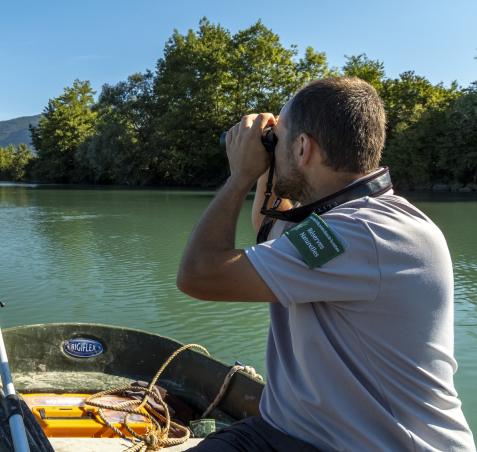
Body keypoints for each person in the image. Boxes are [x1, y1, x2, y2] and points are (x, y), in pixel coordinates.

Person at [176, 77, 475, 452]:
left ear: (303, 148)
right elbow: (271, 235)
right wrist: (270, 165)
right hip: (292, 432)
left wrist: (241, 176)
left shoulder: (369, 234)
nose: (272, 148)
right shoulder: (342, 218)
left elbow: (199, 274)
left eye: (279, 141)